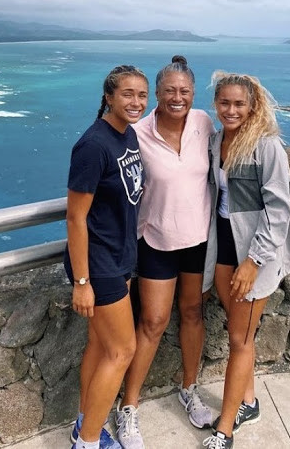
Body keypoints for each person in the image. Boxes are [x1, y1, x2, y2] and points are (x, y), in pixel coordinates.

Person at [115, 56, 215, 449]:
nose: (178, 97)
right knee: (153, 322)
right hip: (155, 239)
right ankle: (129, 407)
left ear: (193, 94)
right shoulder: (137, 133)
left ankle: (189, 388)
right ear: (157, 94)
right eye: (170, 91)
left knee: (192, 313)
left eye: (185, 91)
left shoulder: (204, 123)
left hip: (199, 239)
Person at [201, 71, 290, 449]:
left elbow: (279, 211)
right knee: (240, 329)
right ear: (216, 104)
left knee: (239, 339)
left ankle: (225, 429)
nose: (231, 109)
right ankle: (250, 402)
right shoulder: (215, 141)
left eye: (239, 103)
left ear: (252, 105)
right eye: (224, 102)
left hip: (256, 252)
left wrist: (253, 261)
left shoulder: (266, 146)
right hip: (225, 242)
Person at [64, 65, 149, 449]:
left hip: (120, 257)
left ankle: (85, 422)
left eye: (142, 95)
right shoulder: (93, 145)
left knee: (100, 347)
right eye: (128, 94)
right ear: (109, 97)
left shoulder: (126, 135)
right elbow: (75, 216)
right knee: (123, 350)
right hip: (99, 265)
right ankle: (88, 441)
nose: (136, 102)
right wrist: (82, 283)